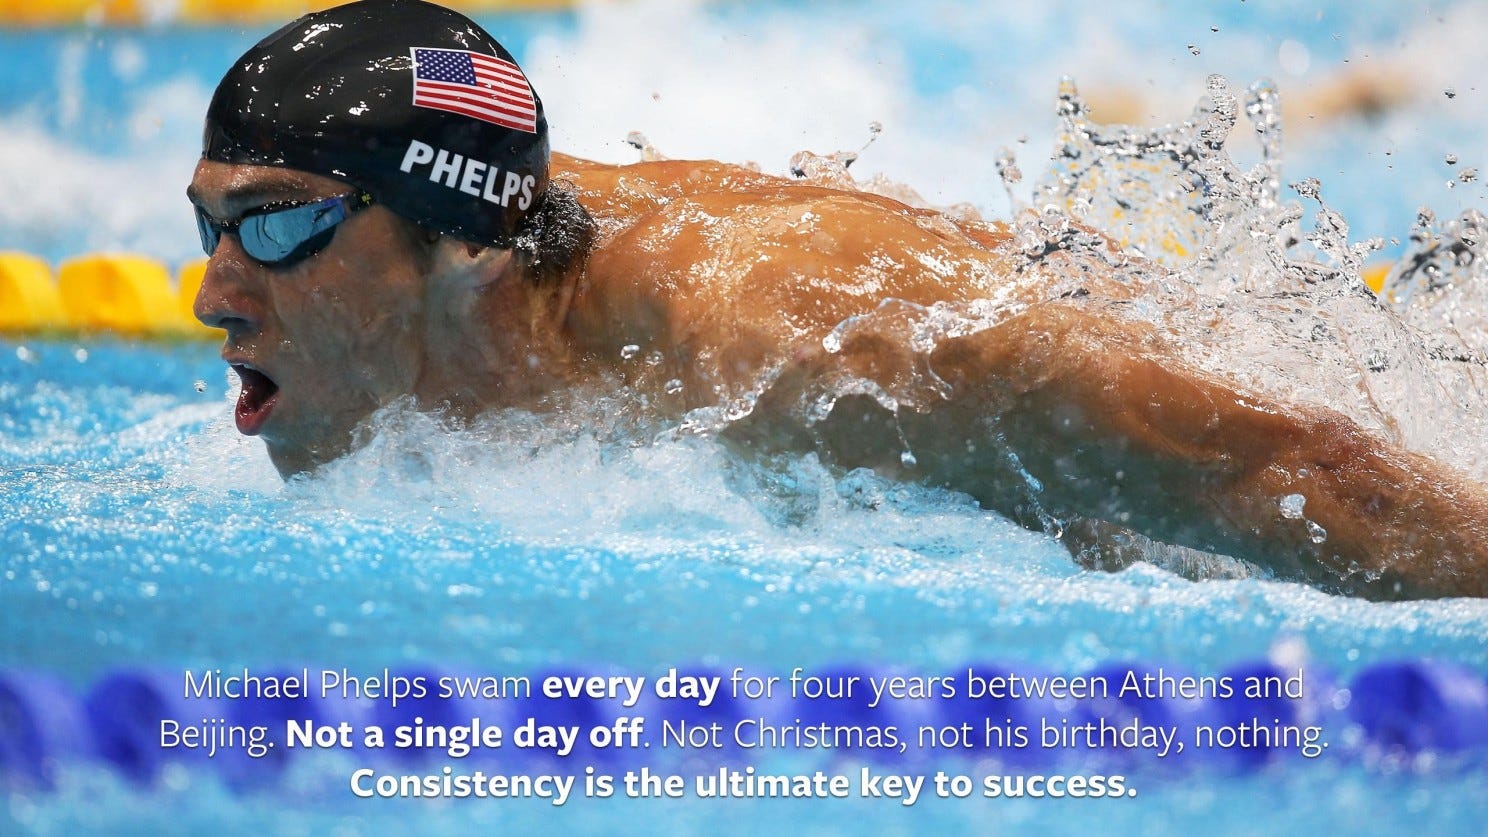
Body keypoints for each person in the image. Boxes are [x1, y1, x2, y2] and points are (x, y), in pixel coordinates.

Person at [189, 0, 1488, 600]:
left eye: (280, 225)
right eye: (211, 224)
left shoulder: (794, 347)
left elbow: (1295, 470)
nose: (212, 296)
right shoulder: (474, 262)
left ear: (465, 245)